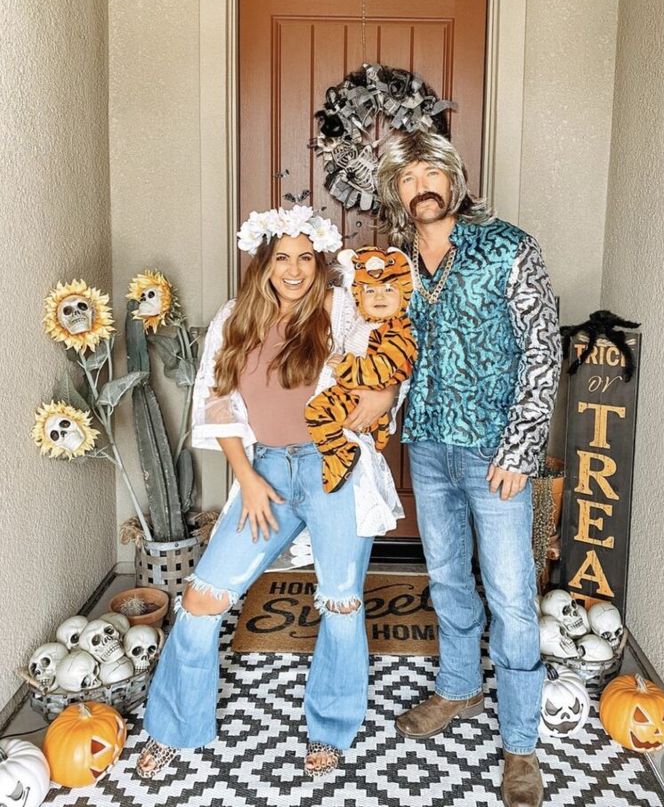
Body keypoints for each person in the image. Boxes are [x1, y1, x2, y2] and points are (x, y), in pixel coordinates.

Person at [135, 206, 400, 780]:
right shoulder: (237, 319)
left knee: (341, 601)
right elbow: (218, 400)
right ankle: (176, 724)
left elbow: (388, 352)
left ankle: (331, 727)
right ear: (264, 262)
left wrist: (384, 394)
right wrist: (248, 479)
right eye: (283, 257)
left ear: (321, 261)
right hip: (268, 471)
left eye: (306, 257)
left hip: (335, 468)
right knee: (204, 597)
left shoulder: (340, 307)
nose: (295, 269)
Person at [376, 131, 561, 807]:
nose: (419, 184)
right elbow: (386, 348)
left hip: (494, 452)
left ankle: (520, 745)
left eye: (431, 171)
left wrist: (521, 450)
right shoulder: (393, 264)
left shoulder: (510, 246)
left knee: (511, 594)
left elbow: (544, 347)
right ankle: (458, 686)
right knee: (449, 578)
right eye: (406, 177)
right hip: (426, 445)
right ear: (396, 193)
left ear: (454, 179)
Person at [305, 245, 417, 493]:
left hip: (361, 388)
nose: (379, 297)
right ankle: (377, 428)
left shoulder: (397, 330)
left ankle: (340, 454)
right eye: (370, 290)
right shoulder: (365, 323)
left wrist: (345, 367)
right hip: (354, 386)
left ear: (404, 294)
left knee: (317, 412)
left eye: (389, 289)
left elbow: (384, 369)